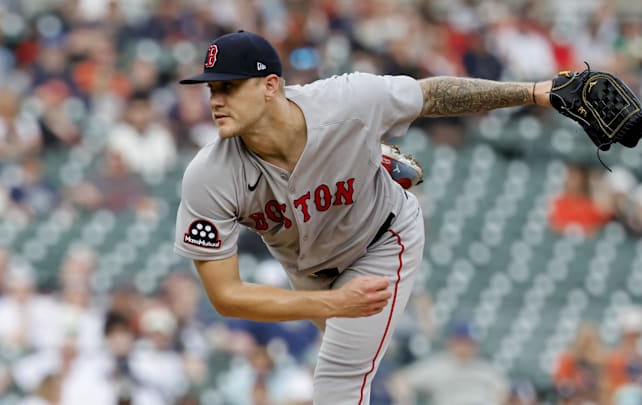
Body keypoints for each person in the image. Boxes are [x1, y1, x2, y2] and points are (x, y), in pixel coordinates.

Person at [173, 30, 556, 404]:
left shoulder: (347, 101)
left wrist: (534, 93)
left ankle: (365, 162)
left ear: (270, 85)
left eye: (229, 87)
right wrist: (334, 303)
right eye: (212, 89)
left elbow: (432, 95)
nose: (216, 101)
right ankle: (366, 160)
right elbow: (226, 296)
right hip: (308, 269)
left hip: (382, 238)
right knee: (342, 337)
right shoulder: (209, 175)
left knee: (339, 377)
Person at [387, 322, 509, 405]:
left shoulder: (486, 369)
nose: (467, 347)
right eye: (463, 342)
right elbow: (400, 380)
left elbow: (503, 393)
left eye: (470, 343)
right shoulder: (438, 365)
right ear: (452, 342)